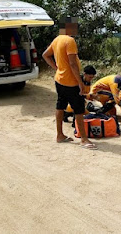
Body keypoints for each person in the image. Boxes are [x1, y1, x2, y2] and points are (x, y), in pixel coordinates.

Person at [42, 16, 97, 150]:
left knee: (60, 106)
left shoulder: (57, 39)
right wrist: (80, 83)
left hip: (59, 80)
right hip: (70, 82)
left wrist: (57, 69)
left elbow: (45, 55)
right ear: (68, 27)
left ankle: (60, 135)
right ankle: (84, 139)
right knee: (78, 109)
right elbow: (72, 63)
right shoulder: (70, 40)